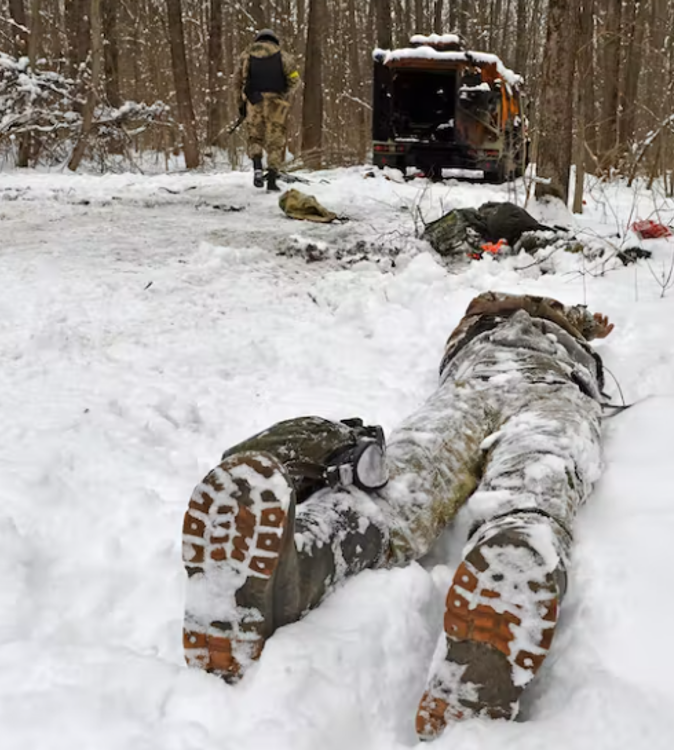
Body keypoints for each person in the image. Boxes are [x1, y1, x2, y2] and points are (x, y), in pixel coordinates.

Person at [180, 292, 615, 739]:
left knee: (427, 487)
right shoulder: (501, 311)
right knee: (457, 483)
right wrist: (565, 321)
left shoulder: (552, 325)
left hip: (507, 386)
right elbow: (492, 301)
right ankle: (289, 570)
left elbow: (568, 316)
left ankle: (501, 582)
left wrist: (585, 323)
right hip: (512, 383)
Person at [232, 29, 300, 192]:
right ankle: (271, 178)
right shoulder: (284, 56)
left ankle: (257, 168)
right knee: (275, 140)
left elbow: (237, 82)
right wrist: (283, 93)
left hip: (253, 101)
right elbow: (295, 79)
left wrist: (241, 105)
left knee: (255, 137)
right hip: (276, 102)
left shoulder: (245, 55)